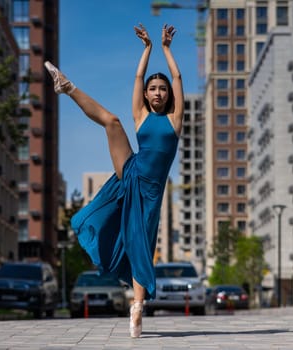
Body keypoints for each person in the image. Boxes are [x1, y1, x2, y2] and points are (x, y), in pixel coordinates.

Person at [44, 23, 183, 338]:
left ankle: (137, 307)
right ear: (146, 95)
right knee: (112, 121)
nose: (158, 92)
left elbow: (178, 78)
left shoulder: (175, 121)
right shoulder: (141, 116)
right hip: (131, 171)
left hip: (151, 192)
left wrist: (167, 50)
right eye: (153, 89)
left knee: (140, 245)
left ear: (168, 95)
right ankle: (67, 86)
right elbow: (137, 78)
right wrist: (147, 49)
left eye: (162, 89)